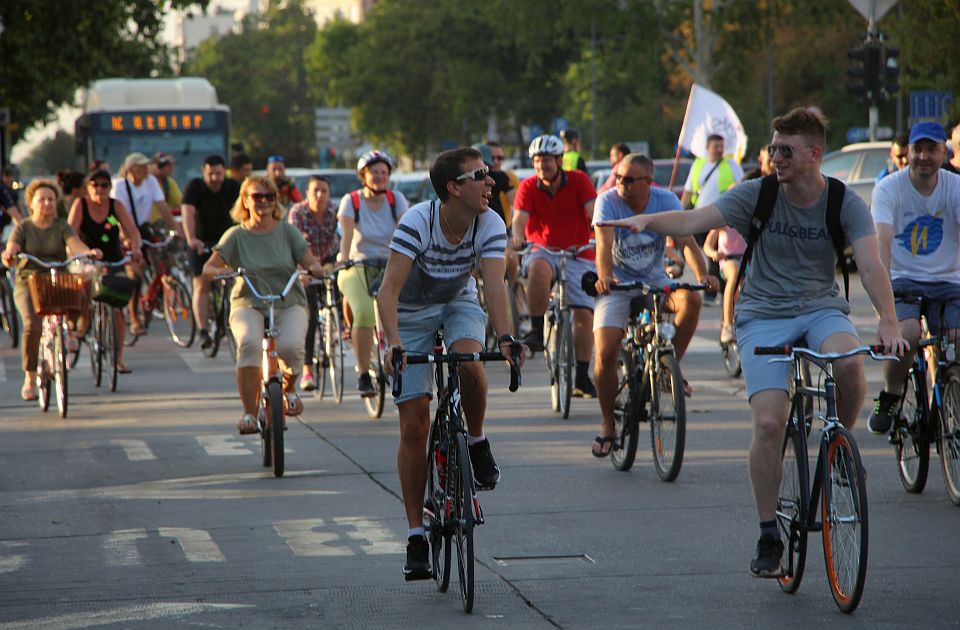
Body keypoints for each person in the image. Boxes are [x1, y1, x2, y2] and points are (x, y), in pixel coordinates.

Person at [599, 107, 906, 578]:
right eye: (772, 149)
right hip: (762, 314)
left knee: (847, 364)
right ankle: (768, 533)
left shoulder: (844, 202)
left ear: (814, 154)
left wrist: (887, 320)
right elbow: (694, 218)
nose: (775, 158)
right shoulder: (757, 193)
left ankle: (838, 447)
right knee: (768, 423)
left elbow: (869, 265)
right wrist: (647, 223)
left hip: (821, 306)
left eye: (786, 150)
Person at [377, 146, 519, 581]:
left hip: (457, 302)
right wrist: (395, 344)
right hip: (411, 312)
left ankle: (475, 440)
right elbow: (387, 292)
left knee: (471, 364)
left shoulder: (489, 221)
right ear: (453, 188)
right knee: (414, 425)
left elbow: (493, 284)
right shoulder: (419, 221)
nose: (491, 182)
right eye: (480, 176)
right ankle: (417, 534)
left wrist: (507, 338)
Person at [592, 154, 718, 456]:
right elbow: (603, 244)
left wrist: (703, 274)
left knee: (692, 298)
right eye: (619, 177)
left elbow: (687, 243)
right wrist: (606, 277)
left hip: (656, 278)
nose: (621, 183)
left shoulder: (666, 201)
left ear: (649, 182)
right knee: (606, 351)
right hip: (619, 283)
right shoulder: (607, 201)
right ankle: (608, 423)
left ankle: (669, 366)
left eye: (630, 179)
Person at [202, 176, 324, 433]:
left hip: (288, 300)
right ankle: (248, 413)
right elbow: (209, 268)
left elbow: (311, 262)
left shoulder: (287, 231)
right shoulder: (235, 235)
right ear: (245, 200)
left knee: (291, 347)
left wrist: (313, 269)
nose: (265, 202)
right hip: (248, 302)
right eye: (258, 196)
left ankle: (289, 389)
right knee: (248, 344)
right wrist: (220, 273)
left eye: (270, 196)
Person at [867, 122, 960, 434]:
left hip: (949, 281)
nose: (923, 156)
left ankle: (948, 395)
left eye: (931, 149)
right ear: (907, 151)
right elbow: (881, 242)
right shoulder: (889, 188)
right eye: (917, 149)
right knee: (905, 336)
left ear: (943, 153)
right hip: (903, 278)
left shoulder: (955, 187)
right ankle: (892, 394)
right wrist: (885, 305)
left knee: (956, 340)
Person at [511, 134, 598, 397]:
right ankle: (537, 331)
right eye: (537, 161)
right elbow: (519, 219)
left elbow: (593, 209)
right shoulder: (527, 186)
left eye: (547, 160)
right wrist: (517, 237)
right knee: (537, 268)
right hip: (543, 249)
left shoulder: (579, 180)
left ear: (560, 161)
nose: (542, 166)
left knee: (584, 313)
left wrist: (596, 224)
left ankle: (582, 376)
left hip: (579, 251)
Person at [1, 179, 102, 401]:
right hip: (29, 281)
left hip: (55, 277)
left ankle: (71, 330)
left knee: (81, 287)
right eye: (42, 200)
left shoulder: (61, 225)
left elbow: (75, 244)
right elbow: (12, 249)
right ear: (32, 203)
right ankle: (29, 376)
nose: (47, 203)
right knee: (32, 325)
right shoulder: (23, 227)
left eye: (51, 199)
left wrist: (89, 253)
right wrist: (9, 255)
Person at [337, 149, 409, 397]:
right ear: (363, 175)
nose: (379, 176)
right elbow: (346, 237)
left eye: (383, 172)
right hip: (357, 264)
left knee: (405, 308)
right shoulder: (351, 201)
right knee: (365, 313)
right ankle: (364, 373)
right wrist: (343, 259)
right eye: (374, 172)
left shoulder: (396, 199)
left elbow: (404, 232)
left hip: (390, 262)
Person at [67, 169, 143, 371]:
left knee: (116, 308)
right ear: (87, 187)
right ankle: (82, 323)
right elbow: (70, 235)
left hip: (113, 260)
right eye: (95, 185)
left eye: (104, 185)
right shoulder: (80, 205)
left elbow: (132, 231)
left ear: (110, 188)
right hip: (85, 258)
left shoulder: (115, 206)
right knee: (85, 287)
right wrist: (82, 254)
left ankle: (118, 358)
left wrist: (135, 249)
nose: (99, 189)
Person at [181, 155, 241, 348]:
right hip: (202, 242)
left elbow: (243, 213)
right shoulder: (195, 187)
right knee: (202, 285)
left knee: (238, 279)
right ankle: (203, 330)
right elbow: (188, 213)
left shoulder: (233, 187)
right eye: (211, 174)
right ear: (203, 173)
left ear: (225, 172)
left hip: (227, 241)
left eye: (219, 174)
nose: (215, 178)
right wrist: (191, 239)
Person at [288, 175, 340, 391]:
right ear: (307, 193)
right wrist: (302, 272)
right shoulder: (297, 213)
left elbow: (345, 236)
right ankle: (307, 368)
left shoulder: (335, 211)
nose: (320, 195)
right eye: (315, 191)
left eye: (324, 191)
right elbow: (293, 245)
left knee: (341, 283)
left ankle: (341, 326)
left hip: (329, 260)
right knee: (309, 313)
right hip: (305, 265)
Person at [111, 152, 180, 237]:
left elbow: (163, 207)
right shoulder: (119, 185)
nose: (145, 169)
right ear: (131, 169)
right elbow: (118, 215)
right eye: (141, 166)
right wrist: (127, 237)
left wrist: (176, 230)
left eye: (146, 165)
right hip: (125, 230)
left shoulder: (151, 181)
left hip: (145, 228)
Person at [703, 224, 747, 343]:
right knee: (735, 273)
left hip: (746, 259)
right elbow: (707, 245)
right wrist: (713, 253)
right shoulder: (723, 221)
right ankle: (727, 326)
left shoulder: (748, 219)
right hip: (728, 260)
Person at [680, 134, 744, 210]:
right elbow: (688, 192)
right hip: (698, 213)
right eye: (716, 147)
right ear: (707, 147)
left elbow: (743, 186)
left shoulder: (731, 164)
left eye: (721, 146)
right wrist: (680, 212)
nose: (720, 150)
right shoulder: (697, 164)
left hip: (722, 214)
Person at [471, 143, 513, 224]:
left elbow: (517, 203)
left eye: (500, 158)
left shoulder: (501, 176)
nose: (490, 182)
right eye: (479, 173)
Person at [150, 152, 183, 223]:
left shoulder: (168, 183)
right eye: (167, 165)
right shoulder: (142, 181)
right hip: (141, 225)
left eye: (172, 166)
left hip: (160, 225)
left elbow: (181, 204)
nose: (171, 169)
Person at [1, 165, 24, 232]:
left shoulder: (12, 188)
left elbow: (18, 202)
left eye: (10, 176)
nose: (8, 179)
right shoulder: (2, 189)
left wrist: (22, 215)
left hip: (10, 216)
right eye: (6, 176)